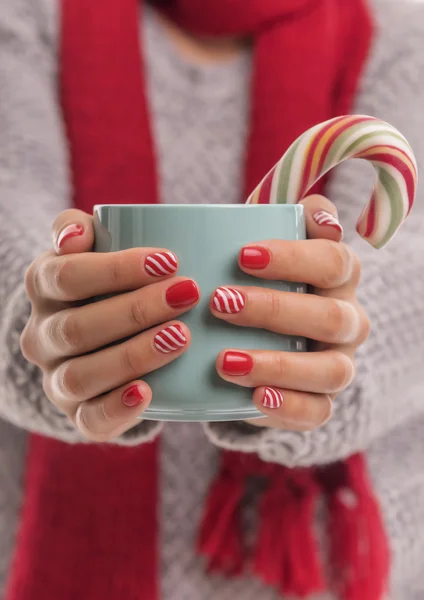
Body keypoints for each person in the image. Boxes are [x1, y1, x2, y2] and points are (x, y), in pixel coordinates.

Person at [0, 0, 423, 598]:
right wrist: (40, 330)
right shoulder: (26, 19)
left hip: (336, 573)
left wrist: (329, 336)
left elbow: (410, 262)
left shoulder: (400, 40)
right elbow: (7, 221)